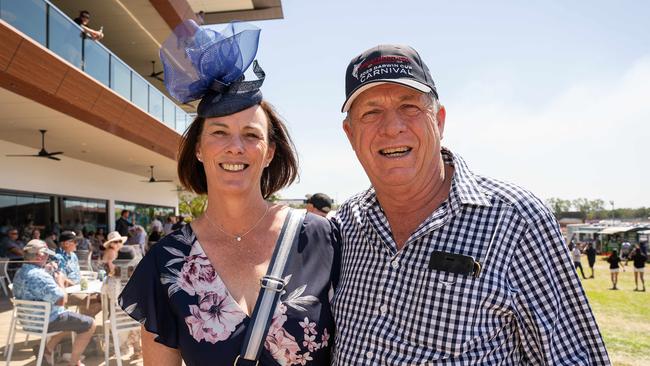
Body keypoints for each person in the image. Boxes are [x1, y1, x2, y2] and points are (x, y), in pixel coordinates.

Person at [333, 44, 609, 364]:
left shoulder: (515, 220)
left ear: (438, 120)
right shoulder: (344, 227)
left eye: (409, 106)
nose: (392, 127)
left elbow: (571, 357)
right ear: (351, 134)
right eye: (371, 112)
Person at [118, 20, 338, 366]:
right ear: (199, 150)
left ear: (268, 152)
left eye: (251, 135)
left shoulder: (321, 238)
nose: (235, 147)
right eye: (219, 133)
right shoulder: (166, 262)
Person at [13, 239, 96, 366]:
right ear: (39, 255)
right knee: (90, 324)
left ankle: (47, 350)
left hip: (28, 321)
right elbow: (62, 300)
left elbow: (36, 285)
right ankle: (74, 363)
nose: (48, 257)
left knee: (70, 319)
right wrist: (60, 280)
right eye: (46, 254)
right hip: (46, 321)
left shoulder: (20, 272)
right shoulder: (40, 276)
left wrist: (47, 270)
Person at [53, 231, 101, 316]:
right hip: (68, 293)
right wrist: (77, 286)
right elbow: (61, 279)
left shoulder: (73, 255)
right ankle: (85, 321)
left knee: (100, 297)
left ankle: (85, 319)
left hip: (79, 289)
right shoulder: (58, 258)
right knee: (95, 300)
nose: (77, 244)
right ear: (66, 244)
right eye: (75, 242)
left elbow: (77, 274)